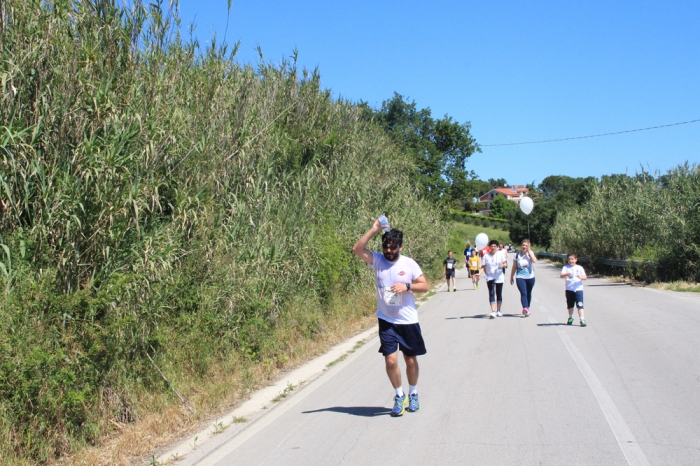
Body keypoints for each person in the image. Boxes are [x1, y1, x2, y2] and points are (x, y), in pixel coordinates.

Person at [353, 219, 430, 416]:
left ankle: (413, 393)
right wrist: (374, 229)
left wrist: (407, 287)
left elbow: (425, 286)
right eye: (386, 247)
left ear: (400, 246)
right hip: (387, 320)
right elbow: (357, 248)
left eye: (392, 247)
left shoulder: (409, 264)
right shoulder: (377, 260)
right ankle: (399, 395)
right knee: (390, 361)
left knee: (410, 361)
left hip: (407, 321)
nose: (388, 251)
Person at [510, 239, 537, 317]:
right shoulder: (516, 255)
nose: (524, 247)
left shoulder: (530, 253)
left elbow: (534, 260)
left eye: (526, 245)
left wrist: (530, 252)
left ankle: (528, 307)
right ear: (521, 246)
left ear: (529, 246)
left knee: (528, 293)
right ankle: (525, 308)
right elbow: (514, 267)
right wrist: (511, 277)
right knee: (523, 293)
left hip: (530, 277)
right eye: (523, 245)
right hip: (520, 277)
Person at [481, 239, 507, 318]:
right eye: (491, 246)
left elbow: (505, 263)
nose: (493, 248)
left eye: (494, 246)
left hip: (499, 276)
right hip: (490, 277)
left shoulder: (500, 254)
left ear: (497, 247)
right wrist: (480, 273)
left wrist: (501, 266)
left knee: (499, 293)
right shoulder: (486, 256)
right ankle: (493, 311)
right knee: (491, 293)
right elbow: (483, 266)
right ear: (489, 247)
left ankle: (498, 310)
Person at [560, 252, 588, 327]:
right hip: (569, 289)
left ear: (576, 259)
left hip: (578, 289)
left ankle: (582, 319)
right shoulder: (566, 267)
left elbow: (585, 277)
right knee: (570, 305)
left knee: (580, 305)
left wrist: (580, 277)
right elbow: (561, 276)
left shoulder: (579, 268)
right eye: (569, 259)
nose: (570, 261)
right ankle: (570, 317)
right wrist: (567, 274)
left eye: (572, 259)